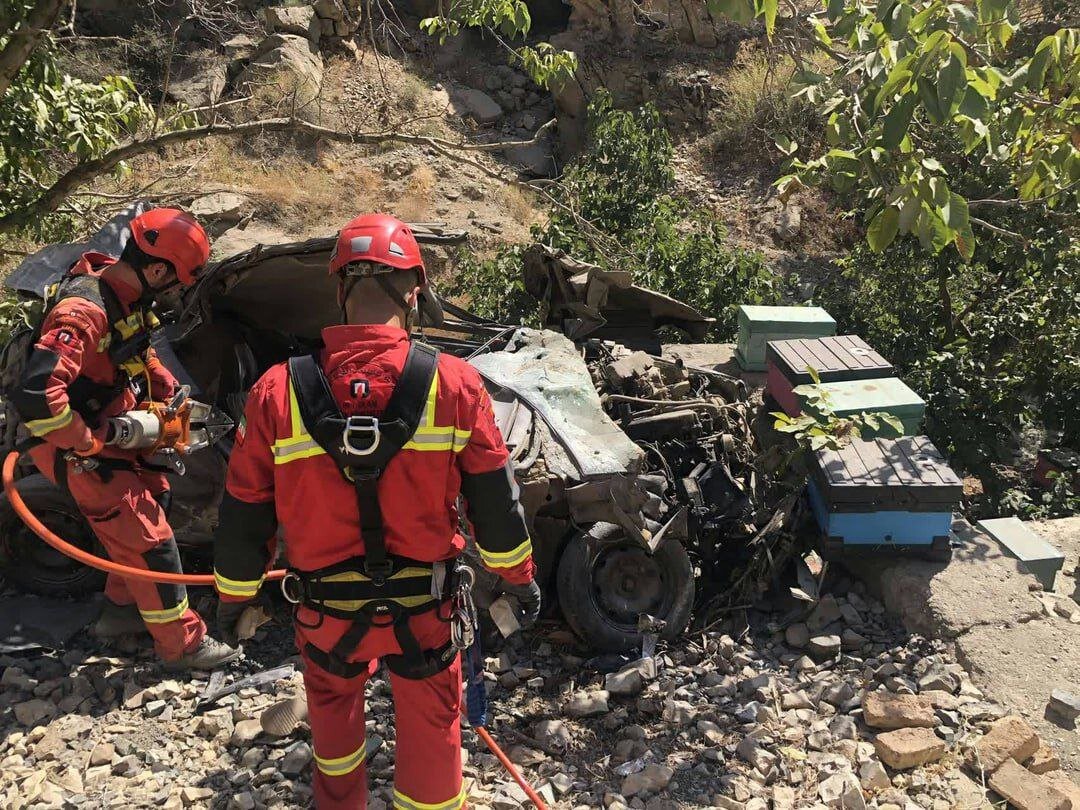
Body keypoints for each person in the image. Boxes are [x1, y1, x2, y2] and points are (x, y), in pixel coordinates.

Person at [213, 213, 541, 810]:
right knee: (432, 738)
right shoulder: (456, 386)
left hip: (324, 617)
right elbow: (497, 508)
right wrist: (518, 583)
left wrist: (237, 599)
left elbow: (243, 515)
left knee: (334, 734)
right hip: (425, 613)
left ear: (339, 290)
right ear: (415, 291)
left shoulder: (275, 392)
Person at [11, 208, 240, 671]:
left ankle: (122, 612)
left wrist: (167, 392)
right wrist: (87, 443)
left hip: (112, 428)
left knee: (156, 502)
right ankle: (183, 646)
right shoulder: (85, 310)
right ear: (157, 269)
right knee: (151, 541)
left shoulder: (128, 299)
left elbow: (138, 349)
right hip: (73, 441)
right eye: (174, 281)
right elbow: (38, 395)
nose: (175, 290)